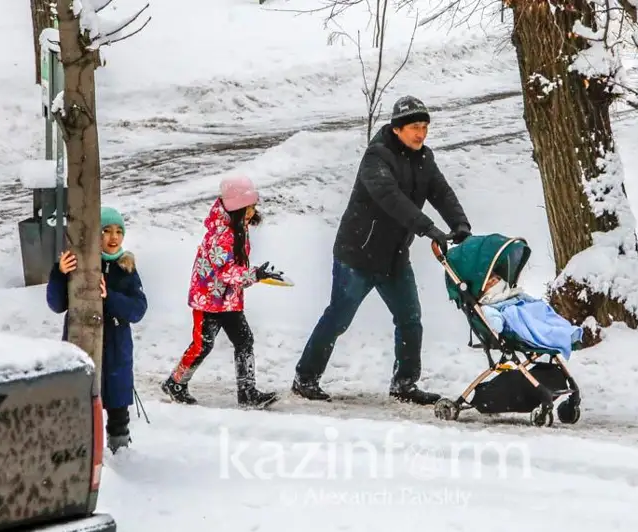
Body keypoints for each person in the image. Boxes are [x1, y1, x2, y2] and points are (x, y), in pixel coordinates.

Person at [292, 95, 472, 404]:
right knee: (338, 318)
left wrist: (460, 224)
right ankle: (305, 377)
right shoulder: (376, 157)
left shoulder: (424, 159)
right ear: (397, 128)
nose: (421, 134)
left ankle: (404, 383)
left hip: (394, 257)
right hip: (357, 255)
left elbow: (441, 192)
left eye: (425, 127)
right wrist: (428, 228)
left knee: (410, 319)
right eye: (415, 127)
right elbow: (390, 198)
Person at [161, 175, 283, 408]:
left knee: (244, 340)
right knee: (202, 345)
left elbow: (235, 270)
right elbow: (226, 272)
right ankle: (175, 382)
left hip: (229, 299)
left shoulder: (238, 227)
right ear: (236, 207)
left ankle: (247, 393)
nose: (252, 212)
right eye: (248, 207)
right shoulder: (221, 235)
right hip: (208, 299)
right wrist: (254, 275)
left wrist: (254, 276)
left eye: (253, 206)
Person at [46, 206, 148, 454]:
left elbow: (138, 309)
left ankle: (119, 451)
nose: (113, 237)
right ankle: (82, 453)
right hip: (81, 343)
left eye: (118, 231)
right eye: (106, 231)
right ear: (95, 234)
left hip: (116, 349)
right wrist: (59, 273)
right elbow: (57, 304)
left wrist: (109, 297)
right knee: (82, 402)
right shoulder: (79, 263)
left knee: (117, 406)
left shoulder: (126, 268)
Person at [479, 274, 583, 360]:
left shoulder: (514, 293)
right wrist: (494, 318)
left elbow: (533, 302)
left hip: (531, 312)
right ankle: (561, 336)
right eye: (488, 282)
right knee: (516, 313)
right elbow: (497, 326)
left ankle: (565, 329)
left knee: (542, 311)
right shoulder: (488, 306)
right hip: (518, 325)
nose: (493, 282)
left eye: (495, 279)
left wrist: (538, 306)